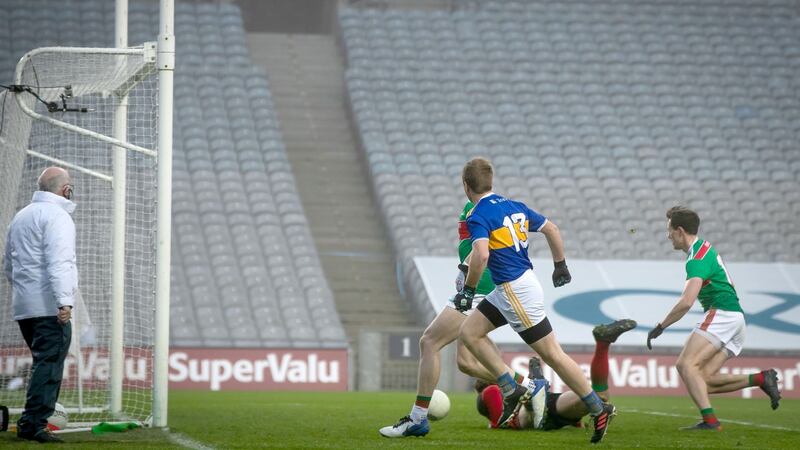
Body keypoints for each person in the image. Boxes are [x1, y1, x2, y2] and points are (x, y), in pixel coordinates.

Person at [456, 157, 615, 444]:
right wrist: (560, 265)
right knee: (469, 333)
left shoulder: (477, 215)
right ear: (491, 182)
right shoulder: (514, 205)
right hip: (517, 286)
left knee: (554, 355)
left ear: (466, 186)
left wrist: (468, 290)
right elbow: (552, 229)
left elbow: (481, 255)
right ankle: (510, 386)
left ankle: (598, 408)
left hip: (515, 292)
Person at [380, 201, 547, 438]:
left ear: (467, 183)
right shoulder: (481, 206)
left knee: (429, 342)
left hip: (479, 288)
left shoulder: (481, 208)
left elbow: (483, 249)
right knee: (466, 363)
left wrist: (466, 279)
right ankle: (530, 387)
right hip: (483, 286)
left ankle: (417, 418)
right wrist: (464, 268)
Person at [646, 206, 781, 430]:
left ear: (679, 230)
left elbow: (686, 302)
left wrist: (661, 326)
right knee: (703, 379)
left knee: (685, 365)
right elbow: (730, 284)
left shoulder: (695, 259)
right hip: (735, 317)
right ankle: (761, 379)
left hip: (723, 314)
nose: (667, 235)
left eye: (669, 230)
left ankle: (710, 421)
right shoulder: (705, 247)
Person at [3, 167, 77, 443]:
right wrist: (64, 302)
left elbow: (8, 265)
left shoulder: (21, 216)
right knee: (49, 363)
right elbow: (59, 262)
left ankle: (32, 420)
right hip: (48, 305)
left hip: (25, 306)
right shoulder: (58, 216)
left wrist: (25, 292)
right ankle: (33, 423)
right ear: (64, 188)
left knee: (42, 362)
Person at [476, 319, 637, 432]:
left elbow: (501, 421)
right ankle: (603, 344)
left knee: (599, 398)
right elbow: (502, 420)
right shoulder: (490, 390)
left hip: (547, 412)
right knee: (599, 397)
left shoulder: (496, 391)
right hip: (551, 406)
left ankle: (535, 401)